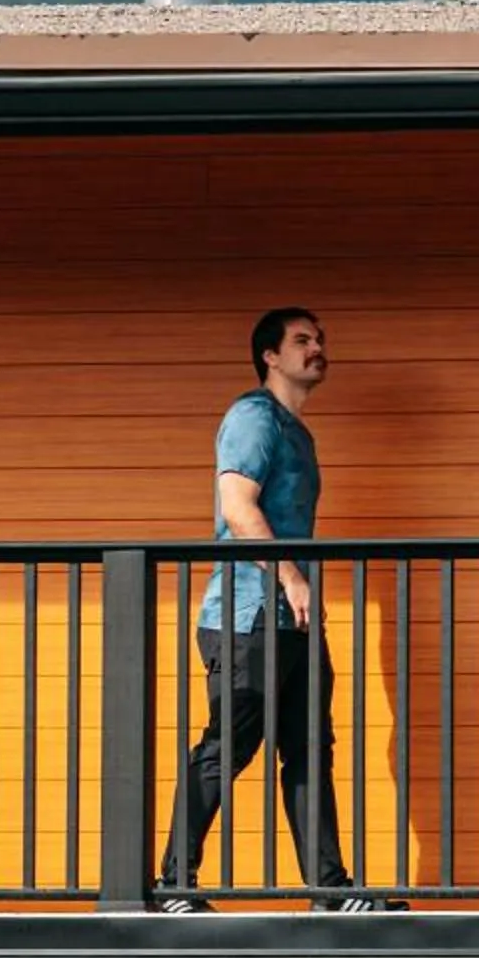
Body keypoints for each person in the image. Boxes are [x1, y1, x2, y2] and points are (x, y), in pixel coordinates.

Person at [154, 306, 387, 913]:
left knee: (311, 747)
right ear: (270, 356)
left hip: (292, 619)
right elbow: (238, 507)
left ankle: (330, 891)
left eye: (321, 339)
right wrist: (290, 576)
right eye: (303, 340)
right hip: (247, 615)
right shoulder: (253, 418)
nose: (317, 348)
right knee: (228, 746)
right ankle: (174, 885)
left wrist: (300, 595)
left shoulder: (296, 431)